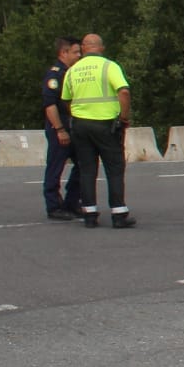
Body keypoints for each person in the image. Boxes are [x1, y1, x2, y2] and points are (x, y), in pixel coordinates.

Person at [61, 32, 134, 228]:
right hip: (106, 123)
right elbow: (124, 91)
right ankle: (119, 214)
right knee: (114, 168)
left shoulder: (73, 70)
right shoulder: (109, 66)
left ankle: (90, 214)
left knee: (87, 169)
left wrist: (78, 115)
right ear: (101, 48)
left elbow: (66, 99)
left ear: (83, 48)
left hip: (80, 125)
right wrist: (124, 118)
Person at [40, 35, 84, 220]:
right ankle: (54, 206)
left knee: (83, 164)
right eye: (75, 52)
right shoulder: (55, 74)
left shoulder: (72, 72)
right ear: (63, 52)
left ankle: (72, 202)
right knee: (55, 167)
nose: (79, 55)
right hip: (60, 127)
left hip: (74, 127)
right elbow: (50, 105)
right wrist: (60, 129)